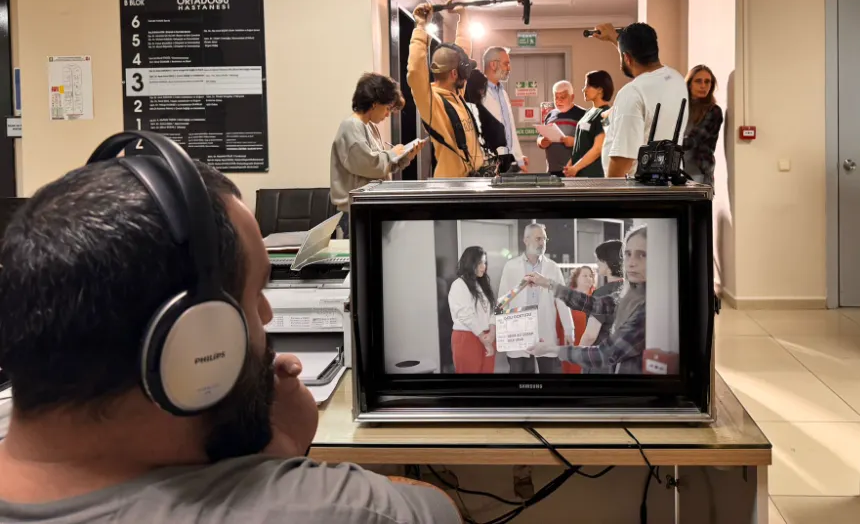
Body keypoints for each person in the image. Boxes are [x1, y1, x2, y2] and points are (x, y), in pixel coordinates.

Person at [0, 145, 459, 522]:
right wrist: (277, 460)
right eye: (257, 293)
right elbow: (436, 510)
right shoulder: (348, 511)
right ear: (198, 344)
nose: (267, 314)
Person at [526, 226, 647, 374]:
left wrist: (552, 349)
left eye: (642, 255)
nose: (631, 262)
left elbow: (605, 354)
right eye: (628, 254)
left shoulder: (647, 306)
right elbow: (594, 304)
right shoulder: (630, 294)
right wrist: (547, 283)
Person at [591, 22, 688, 178]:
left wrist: (609, 192)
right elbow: (640, 71)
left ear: (627, 58)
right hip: (668, 182)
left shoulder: (632, 92)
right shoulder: (676, 79)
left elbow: (623, 159)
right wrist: (616, 39)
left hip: (635, 188)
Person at [329, 72, 420, 238]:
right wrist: (392, 153)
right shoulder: (351, 127)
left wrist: (404, 158)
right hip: (354, 213)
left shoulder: (368, 126)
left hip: (367, 209)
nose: (387, 114)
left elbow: (380, 167)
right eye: (387, 108)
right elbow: (370, 165)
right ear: (374, 104)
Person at [407, 2, 486, 178]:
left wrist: (463, 18)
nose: (467, 75)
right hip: (452, 187)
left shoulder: (456, 94)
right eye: (464, 71)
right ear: (454, 74)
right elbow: (415, 72)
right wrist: (421, 27)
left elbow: (462, 51)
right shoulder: (432, 103)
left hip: (470, 183)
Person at [496, 223, 575, 373]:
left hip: (544, 328)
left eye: (544, 239)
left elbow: (562, 300)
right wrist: (497, 328)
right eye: (538, 238)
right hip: (518, 330)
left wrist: (569, 329)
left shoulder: (552, 267)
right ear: (526, 240)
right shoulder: (511, 267)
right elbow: (503, 299)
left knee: (548, 372)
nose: (542, 243)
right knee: (519, 374)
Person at [447, 246, 497, 374]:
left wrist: (492, 331)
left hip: (487, 337)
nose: (483, 267)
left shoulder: (482, 284)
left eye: (484, 263)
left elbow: (494, 309)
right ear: (470, 263)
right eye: (479, 263)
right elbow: (465, 315)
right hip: (468, 338)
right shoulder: (459, 285)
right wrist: (484, 339)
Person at [480, 46, 527, 173]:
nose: (509, 68)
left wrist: (518, 158)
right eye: (506, 64)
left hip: (507, 162)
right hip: (488, 163)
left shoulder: (503, 93)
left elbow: (509, 129)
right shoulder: (478, 93)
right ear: (493, 65)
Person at [577, 239, 624, 362]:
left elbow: (590, 336)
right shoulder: (632, 290)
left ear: (608, 263)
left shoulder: (601, 294)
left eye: (599, 260)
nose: (597, 264)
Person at [564, 70, 614, 178]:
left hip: (593, 176)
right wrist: (571, 164)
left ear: (600, 89)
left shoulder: (605, 114)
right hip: (579, 173)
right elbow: (581, 145)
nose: (584, 89)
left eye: (587, 86)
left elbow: (598, 148)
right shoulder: (588, 113)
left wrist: (576, 167)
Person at [683, 64, 724, 185]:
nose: (703, 86)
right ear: (689, 84)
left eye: (707, 82)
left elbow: (694, 140)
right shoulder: (681, 107)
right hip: (676, 171)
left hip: (698, 172)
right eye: (698, 81)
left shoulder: (713, 111)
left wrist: (668, 143)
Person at [537, 81, 586, 176]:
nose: (558, 101)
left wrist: (574, 142)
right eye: (556, 97)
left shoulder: (583, 115)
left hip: (574, 171)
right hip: (552, 171)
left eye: (562, 97)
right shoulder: (550, 115)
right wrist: (541, 142)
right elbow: (539, 138)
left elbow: (591, 142)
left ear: (572, 97)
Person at [464, 69, 508, 168]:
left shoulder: (460, 108)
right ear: (478, 90)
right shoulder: (480, 109)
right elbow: (499, 136)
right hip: (482, 162)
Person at [561, 266, 596, 375]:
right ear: (576, 278)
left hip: (590, 346)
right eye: (585, 275)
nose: (588, 278)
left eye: (590, 276)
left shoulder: (597, 296)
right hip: (570, 343)